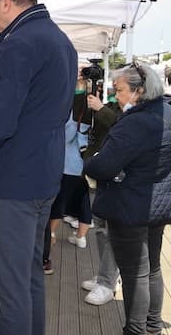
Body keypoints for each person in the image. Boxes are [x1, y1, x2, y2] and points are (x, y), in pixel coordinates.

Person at [0, 0, 77, 335]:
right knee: (29, 279)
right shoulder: (60, 41)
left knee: (10, 290)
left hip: (15, 181)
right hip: (43, 177)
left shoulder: (19, 42)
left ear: (6, 1)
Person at [84, 62, 170, 335]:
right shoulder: (167, 112)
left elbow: (103, 167)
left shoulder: (135, 123)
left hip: (130, 206)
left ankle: (135, 330)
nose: (115, 96)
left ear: (139, 90)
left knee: (135, 274)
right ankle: (153, 327)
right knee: (152, 270)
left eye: (119, 90)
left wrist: (91, 160)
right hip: (156, 205)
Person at [75, 81, 123, 305]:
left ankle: (107, 282)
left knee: (110, 231)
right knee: (102, 229)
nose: (117, 92)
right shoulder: (116, 105)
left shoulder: (131, 111)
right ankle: (105, 276)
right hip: (102, 173)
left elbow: (116, 125)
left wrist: (100, 109)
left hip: (118, 179)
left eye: (120, 89)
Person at [42, 113, 90, 275]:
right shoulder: (87, 112)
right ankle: (81, 237)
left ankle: (52, 234)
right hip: (80, 165)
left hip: (68, 164)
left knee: (59, 202)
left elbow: (67, 137)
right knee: (83, 201)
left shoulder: (73, 112)